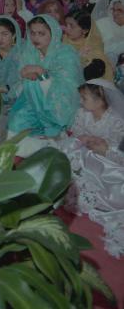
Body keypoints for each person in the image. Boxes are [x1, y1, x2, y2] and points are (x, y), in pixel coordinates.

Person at [56, 81, 124, 259]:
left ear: (100, 100)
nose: (81, 102)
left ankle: (91, 191)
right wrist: (84, 138)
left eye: (84, 98)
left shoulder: (116, 121)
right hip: (84, 152)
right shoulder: (82, 113)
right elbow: (77, 132)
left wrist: (103, 147)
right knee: (70, 148)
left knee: (104, 170)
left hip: (103, 159)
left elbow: (115, 150)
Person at [7, 15, 82, 137]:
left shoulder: (66, 53)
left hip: (57, 107)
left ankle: (53, 127)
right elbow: (18, 88)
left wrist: (41, 73)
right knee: (14, 127)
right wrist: (24, 77)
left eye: (41, 34)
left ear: (53, 34)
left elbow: (69, 88)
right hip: (32, 104)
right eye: (32, 33)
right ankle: (42, 127)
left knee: (32, 83)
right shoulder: (28, 53)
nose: (35, 38)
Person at [63, 9, 114, 82]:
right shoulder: (62, 40)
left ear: (85, 30)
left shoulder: (92, 47)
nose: (67, 29)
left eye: (71, 26)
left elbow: (107, 75)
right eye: (66, 25)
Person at [97, 0, 124, 68]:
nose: (115, 13)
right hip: (101, 62)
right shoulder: (103, 23)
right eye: (113, 10)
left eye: (120, 10)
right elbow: (102, 48)